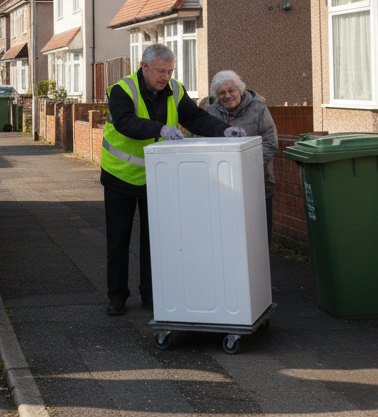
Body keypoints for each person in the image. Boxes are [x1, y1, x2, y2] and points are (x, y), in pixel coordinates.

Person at [102, 43, 245, 317]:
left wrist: (222, 130)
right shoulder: (122, 90)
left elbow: (194, 117)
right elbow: (124, 122)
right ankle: (116, 297)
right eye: (160, 71)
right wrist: (160, 128)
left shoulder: (175, 89)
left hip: (156, 178)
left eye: (169, 71)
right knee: (118, 240)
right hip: (119, 176)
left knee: (154, 240)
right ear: (144, 67)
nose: (165, 77)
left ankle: (151, 296)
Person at [201, 70, 279, 237]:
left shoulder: (258, 109)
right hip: (223, 186)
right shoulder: (212, 113)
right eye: (222, 92)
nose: (227, 95)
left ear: (240, 90)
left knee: (258, 236)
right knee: (229, 234)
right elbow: (207, 145)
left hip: (258, 184)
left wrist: (247, 168)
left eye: (231, 90)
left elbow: (271, 142)